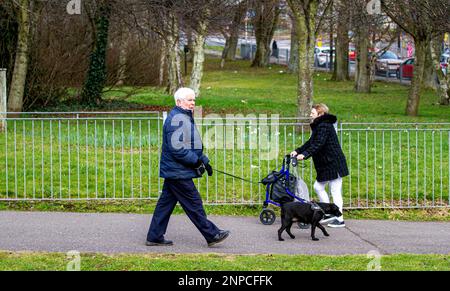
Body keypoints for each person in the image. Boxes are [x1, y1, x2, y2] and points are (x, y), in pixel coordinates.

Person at [146, 87, 230, 247]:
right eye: (189, 100)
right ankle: (212, 234)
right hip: (178, 171)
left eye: (194, 100)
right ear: (179, 102)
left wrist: (204, 160)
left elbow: (191, 145)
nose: (193, 103)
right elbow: (177, 148)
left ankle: (154, 236)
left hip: (176, 170)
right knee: (194, 203)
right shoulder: (176, 119)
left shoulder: (184, 117)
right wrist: (196, 162)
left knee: (165, 205)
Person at [290, 104, 348, 228]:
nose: (310, 115)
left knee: (335, 190)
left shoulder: (324, 126)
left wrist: (304, 155)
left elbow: (318, 144)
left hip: (334, 163)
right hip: (326, 164)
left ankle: (339, 219)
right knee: (318, 186)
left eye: (313, 113)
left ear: (320, 114)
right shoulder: (319, 126)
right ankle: (328, 213)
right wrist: (298, 150)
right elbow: (311, 142)